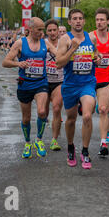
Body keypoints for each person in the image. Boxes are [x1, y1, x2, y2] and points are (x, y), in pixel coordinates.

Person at [2, 17, 57, 159]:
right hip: (25, 84)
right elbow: (5, 62)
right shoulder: (20, 43)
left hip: (41, 83)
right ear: (30, 29)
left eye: (42, 30)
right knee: (26, 118)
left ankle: (39, 140)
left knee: (42, 111)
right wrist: (18, 64)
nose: (42, 32)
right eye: (39, 30)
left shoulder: (45, 43)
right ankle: (27, 143)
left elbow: (59, 55)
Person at [56, 9, 101, 169]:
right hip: (70, 85)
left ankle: (86, 151)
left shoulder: (92, 38)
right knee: (71, 119)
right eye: (74, 18)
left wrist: (97, 58)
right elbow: (59, 63)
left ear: (84, 21)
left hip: (87, 83)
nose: (78, 21)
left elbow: (96, 55)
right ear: (69, 22)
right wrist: (72, 49)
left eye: (80, 18)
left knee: (87, 115)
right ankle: (70, 147)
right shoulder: (65, 40)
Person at [89, 8, 109, 156]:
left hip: (104, 79)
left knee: (103, 110)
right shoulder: (90, 36)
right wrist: (94, 58)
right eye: (97, 20)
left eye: (102, 20)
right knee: (86, 113)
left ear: (108, 22)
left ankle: (103, 143)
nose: (99, 22)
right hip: (89, 79)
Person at [44, 19, 64, 151]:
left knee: (56, 109)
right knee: (43, 112)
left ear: (58, 31)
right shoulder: (41, 44)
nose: (52, 32)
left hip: (59, 81)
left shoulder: (64, 44)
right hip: (44, 81)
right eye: (49, 30)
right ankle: (40, 138)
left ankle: (54, 140)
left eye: (54, 30)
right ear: (46, 31)